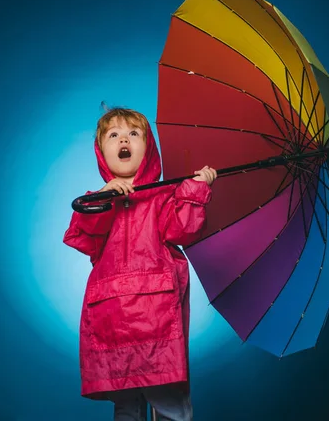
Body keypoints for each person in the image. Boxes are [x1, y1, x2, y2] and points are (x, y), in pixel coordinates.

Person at [63, 107, 217, 421]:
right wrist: (104, 196)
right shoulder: (96, 200)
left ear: (149, 149)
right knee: (126, 407)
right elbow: (86, 235)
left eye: (134, 134)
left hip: (156, 319)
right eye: (114, 135)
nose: (125, 140)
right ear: (102, 151)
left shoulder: (164, 194)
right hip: (112, 321)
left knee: (168, 400)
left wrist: (195, 191)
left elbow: (183, 230)